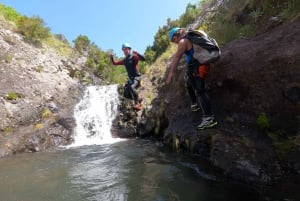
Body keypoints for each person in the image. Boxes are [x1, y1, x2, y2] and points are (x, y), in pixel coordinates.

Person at [166, 27, 217, 130]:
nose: (174, 42)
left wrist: (171, 73)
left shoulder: (183, 41)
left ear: (176, 36)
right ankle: (194, 104)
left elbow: (177, 58)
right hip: (200, 64)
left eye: (173, 40)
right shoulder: (191, 37)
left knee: (200, 92)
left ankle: (208, 119)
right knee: (188, 81)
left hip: (196, 67)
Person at [109, 43, 145, 110]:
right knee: (126, 94)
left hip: (137, 77)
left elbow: (143, 59)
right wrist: (111, 57)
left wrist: (138, 53)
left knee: (131, 87)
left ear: (129, 49)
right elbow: (114, 63)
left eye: (126, 49)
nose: (125, 51)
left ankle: (138, 104)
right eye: (124, 50)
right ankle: (138, 99)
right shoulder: (125, 60)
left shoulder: (134, 56)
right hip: (131, 80)